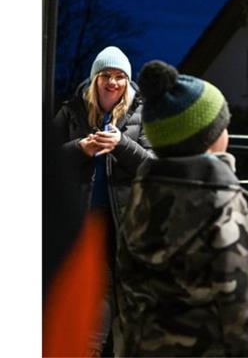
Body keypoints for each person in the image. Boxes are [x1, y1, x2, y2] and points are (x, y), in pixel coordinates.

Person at [114, 60, 248, 357]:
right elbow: (240, 299)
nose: (228, 133)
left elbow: (126, 283)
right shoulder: (222, 198)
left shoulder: (141, 192)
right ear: (207, 139)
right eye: (224, 126)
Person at [52, 45, 153, 356]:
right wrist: (80, 148)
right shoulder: (72, 111)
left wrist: (122, 144)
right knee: (90, 290)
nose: (113, 82)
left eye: (120, 76)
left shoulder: (143, 112)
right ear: (95, 80)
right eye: (106, 76)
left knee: (121, 295)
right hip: (81, 217)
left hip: (125, 221)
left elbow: (153, 167)